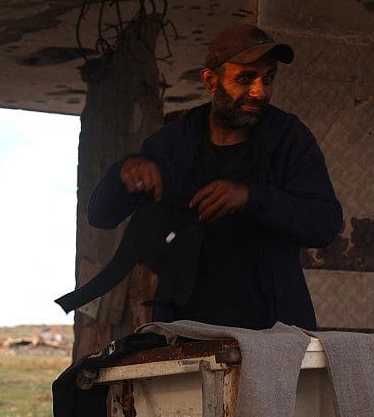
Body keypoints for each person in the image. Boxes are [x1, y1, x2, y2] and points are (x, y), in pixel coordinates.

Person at [85, 23, 343, 330]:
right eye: (245, 78)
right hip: (182, 330)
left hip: (271, 333)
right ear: (211, 80)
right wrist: (124, 172)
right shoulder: (172, 143)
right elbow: (101, 216)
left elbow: (325, 224)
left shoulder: (288, 137)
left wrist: (252, 198)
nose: (260, 91)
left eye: (268, 78)